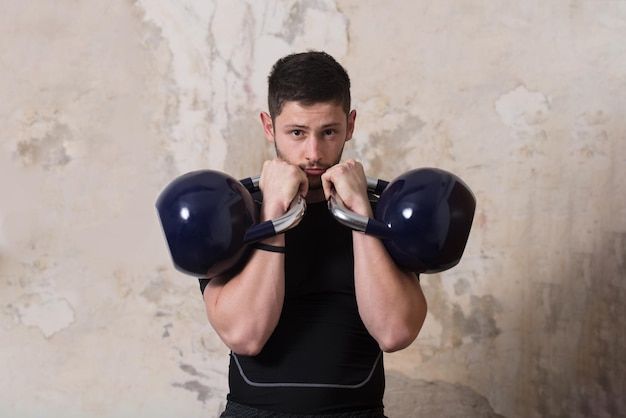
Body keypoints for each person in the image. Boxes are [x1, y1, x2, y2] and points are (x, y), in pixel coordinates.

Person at [199, 51, 427, 417]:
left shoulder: (386, 214)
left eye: (329, 132)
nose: (314, 153)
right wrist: (273, 212)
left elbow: (394, 332)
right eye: (296, 133)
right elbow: (245, 335)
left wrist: (361, 214)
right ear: (269, 126)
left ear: (350, 125)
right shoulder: (229, 216)